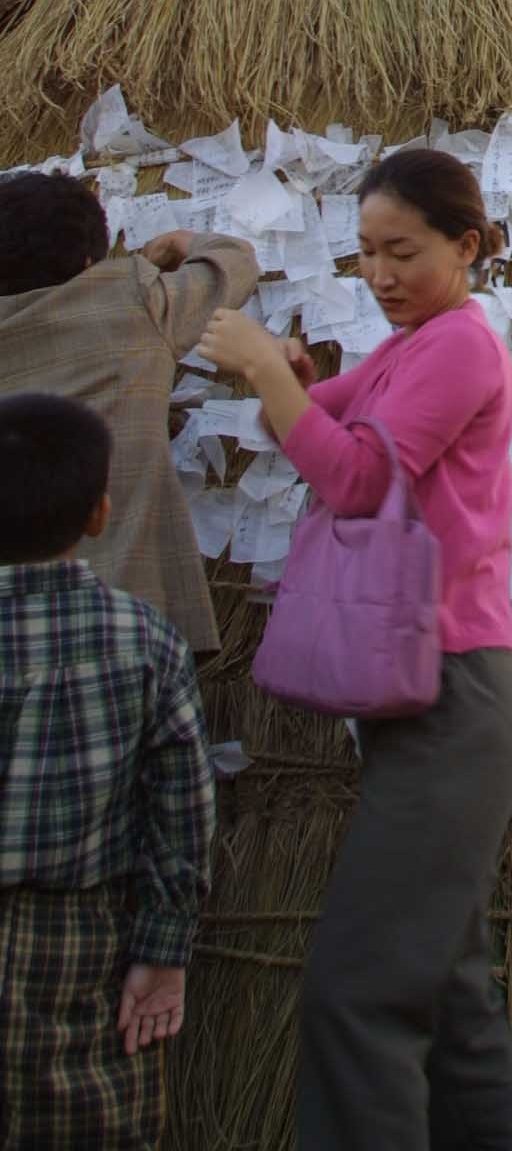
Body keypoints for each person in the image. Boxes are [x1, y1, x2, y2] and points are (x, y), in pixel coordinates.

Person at [198, 146, 512, 1151]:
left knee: (358, 995)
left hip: (456, 704)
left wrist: (269, 369)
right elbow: (309, 430)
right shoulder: (407, 346)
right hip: (428, 706)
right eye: (366, 256)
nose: (382, 275)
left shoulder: (461, 347)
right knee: (451, 995)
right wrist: (290, 379)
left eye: (404, 251)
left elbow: (354, 482)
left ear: (466, 245)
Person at [0, 390, 215, 1150]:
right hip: (77, 945)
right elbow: (182, 808)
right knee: (80, 1120)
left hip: (78, 930)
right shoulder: (141, 641)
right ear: (99, 513)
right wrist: (163, 950)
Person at [0, 170, 258, 653]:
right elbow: (235, 262)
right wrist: (179, 242)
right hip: (135, 612)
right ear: (87, 260)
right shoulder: (130, 299)